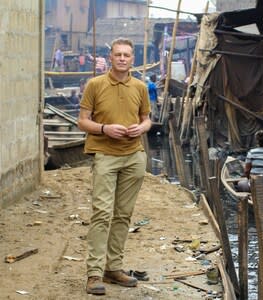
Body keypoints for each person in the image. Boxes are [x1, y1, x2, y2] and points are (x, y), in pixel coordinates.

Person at [77, 37, 151, 295]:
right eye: (117, 54)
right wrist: (104, 129)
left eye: (126, 55)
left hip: (134, 156)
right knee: (101, 214)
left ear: (133, 59)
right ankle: (94, 274)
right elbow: (82, 121)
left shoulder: (140, 87)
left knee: (123, 215)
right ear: (110, 57)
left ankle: (114, 267)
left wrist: (141, 128)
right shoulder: (95, 85)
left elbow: (146, 120)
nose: (122, 58)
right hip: (105, 154)